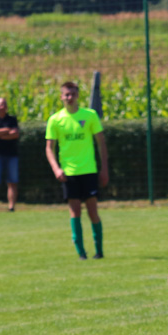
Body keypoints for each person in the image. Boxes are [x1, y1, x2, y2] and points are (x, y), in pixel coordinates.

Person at [45, 81, 109, 260]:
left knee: (92, 212)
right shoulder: (55, 120)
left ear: (78, 95)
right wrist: (56, 169)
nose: (69, 97)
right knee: (75, 213)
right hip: (68, 173)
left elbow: (101, 143)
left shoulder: (89, 116)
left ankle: (99, 251)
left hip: (88, 170)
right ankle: (81, 253)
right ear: (61, 97)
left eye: (72, 94)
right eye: (66, 94)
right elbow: (49, 148)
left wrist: (104, 169)